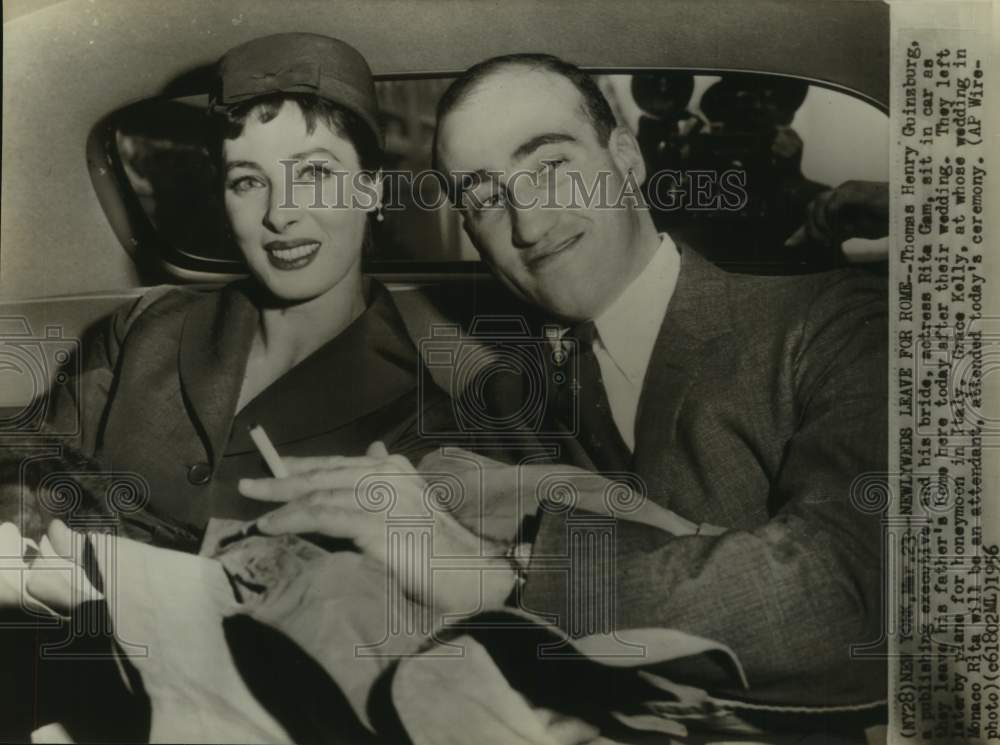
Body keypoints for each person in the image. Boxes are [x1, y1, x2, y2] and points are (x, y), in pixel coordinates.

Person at [249, 53, 888, 717]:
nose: (527, 224)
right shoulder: (498, 380)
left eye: (551, 169)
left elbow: (857, 595)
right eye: (486, 198)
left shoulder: (834, 322)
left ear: (627, 158)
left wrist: (504, 578)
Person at [43, 33, 450, 545]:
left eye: (316, 172)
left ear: (370, 188)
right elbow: (35, 472)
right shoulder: (142, 328)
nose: (281, 214)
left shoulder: (419, 420)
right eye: (248, 181)